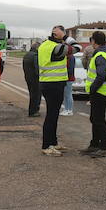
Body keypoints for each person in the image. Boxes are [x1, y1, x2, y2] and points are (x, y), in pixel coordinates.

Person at [37, 25, 70, 156]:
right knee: (51, 115)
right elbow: (77, 47)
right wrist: (65, 37)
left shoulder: (45, 45)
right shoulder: (56, 47)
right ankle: (46, 145)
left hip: (48, 83)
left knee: (54, 114)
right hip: (54, 84)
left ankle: (53, 142)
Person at [82, 31, 106, 157]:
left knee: (99, 120)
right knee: (95, 119)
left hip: (100, 92)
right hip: (103, 91)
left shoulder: (101, 55)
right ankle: (94, 144)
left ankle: (104, 147)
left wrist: (92, 89)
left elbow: (101, 76)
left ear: (93, 41)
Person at [22, 41, 42, 117]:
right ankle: (33, 111)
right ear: (37, 48)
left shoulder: (26, 55)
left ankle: (32, 110)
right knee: (36, 95)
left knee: (32, 94)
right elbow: (37, 69)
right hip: (35, 79)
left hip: (28, 77)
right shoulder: (35, 56)